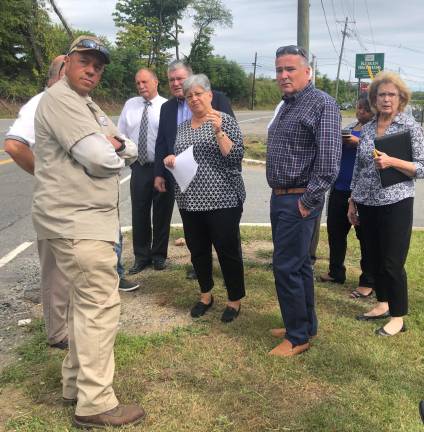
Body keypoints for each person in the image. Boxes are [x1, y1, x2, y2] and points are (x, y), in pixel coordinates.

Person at [33, 35, 145, 428]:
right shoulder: (60, 99)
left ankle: (73, 386)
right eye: (85, 62)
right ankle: (95, 403)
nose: (92, 70)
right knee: (99, 308)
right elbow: (102, 158)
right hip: (77, 222)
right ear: (67, 64)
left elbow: (128, 147)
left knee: (84, 307)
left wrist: (114, 145)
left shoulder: (89, 105)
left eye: (98, 65)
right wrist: (112, 147)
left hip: (85, 221)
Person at [266, 45, 342, 357]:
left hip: (298, 199)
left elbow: (329, 163)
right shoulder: (286, 105)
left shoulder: (322, 104)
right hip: (280, 197)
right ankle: (304, 324)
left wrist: (307, 202)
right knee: (297, 267)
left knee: (285, 267)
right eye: (279, 70)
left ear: (307, 72)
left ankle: (297, 338)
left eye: (290, 69)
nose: (283, 75)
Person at [163, 74, 245, 323]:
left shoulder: (224, 121)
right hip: (189, 200)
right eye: (189, 96)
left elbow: (235, 158)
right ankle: (205, 295)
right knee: (197, 250)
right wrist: (171, 160)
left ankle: (234, 299)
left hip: (223, 199)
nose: (194, 99)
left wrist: (219, 131)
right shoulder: (183, 128)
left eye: (198, 93)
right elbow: (181, 156)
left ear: (209, 95)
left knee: (227, 250)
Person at [348, 71, 424, 336]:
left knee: (392, 262)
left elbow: (422, 167)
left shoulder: (410, 127)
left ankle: (398, 316)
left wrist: (392, 162)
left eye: (392, 94)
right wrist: (352, 200)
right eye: (382, 95)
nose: (387, 99)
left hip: (396, 202)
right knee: (374, 257)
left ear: (401, 98)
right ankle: (382, 304)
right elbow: (359, 168)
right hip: (367, 202)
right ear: (374, 99)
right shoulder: (367, 128)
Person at [4, 56, 70, 349]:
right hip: (55, 200)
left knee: (72, 265)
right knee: (55, 267)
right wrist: (46, 175)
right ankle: (58, 333)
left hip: (76, 201)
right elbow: (15, 145)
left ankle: (71, 321)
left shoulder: (70, 103)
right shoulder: (40, 103)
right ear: (57, 76)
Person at [154, 60, 235, 280]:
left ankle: (226, 270)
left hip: (217, 186)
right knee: (194, 233)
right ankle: (199, 267)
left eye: (180, 78)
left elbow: (232, 139)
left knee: (222, 235)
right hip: (181, 179)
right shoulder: (167, 107)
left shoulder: (216, 99)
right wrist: (159, 172)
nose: (176, 83)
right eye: (171, 80)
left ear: (191, 77)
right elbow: (162, 141)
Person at [319, 93, 375, 298]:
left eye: (366, 109)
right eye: (359, 108)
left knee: (366, 238)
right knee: (335, 233)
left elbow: (379, 154)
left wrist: (357, 142)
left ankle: (368, 280)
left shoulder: (376, 131)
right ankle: (336, 272)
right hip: (339, 189)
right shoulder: (351, 127)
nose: (361, 112)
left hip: (362, 193)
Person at [118, 68, 168, 275]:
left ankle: (158, 255)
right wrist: (128, 160)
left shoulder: (166, 106)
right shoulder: (130, 105)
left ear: (155, 82)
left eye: (145, 82)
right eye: (138, 83)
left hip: (162, 167)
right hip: (139, 166)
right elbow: (119, 134)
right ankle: (141, 256)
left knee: (161, 212)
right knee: (139, 212)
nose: (141, 86)